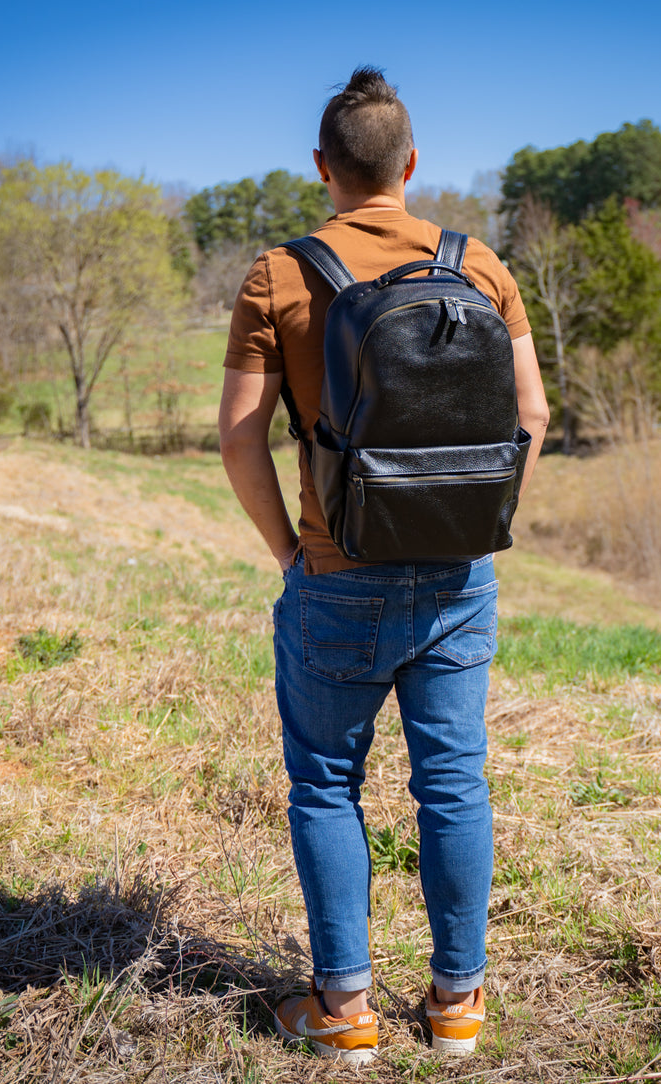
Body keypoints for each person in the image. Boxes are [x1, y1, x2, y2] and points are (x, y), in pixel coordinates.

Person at [217, 66, 549, 1062]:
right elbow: (530, 414)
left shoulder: (278, 275)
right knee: (452, 781)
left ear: (321, 167)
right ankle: (456, 1008)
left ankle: (343, 1013)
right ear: (409, 164)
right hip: (456, 573)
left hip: (336, 572)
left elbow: (239, 439)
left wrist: (290, 548)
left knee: (325, 785)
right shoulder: (478, 265)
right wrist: (469, 518)